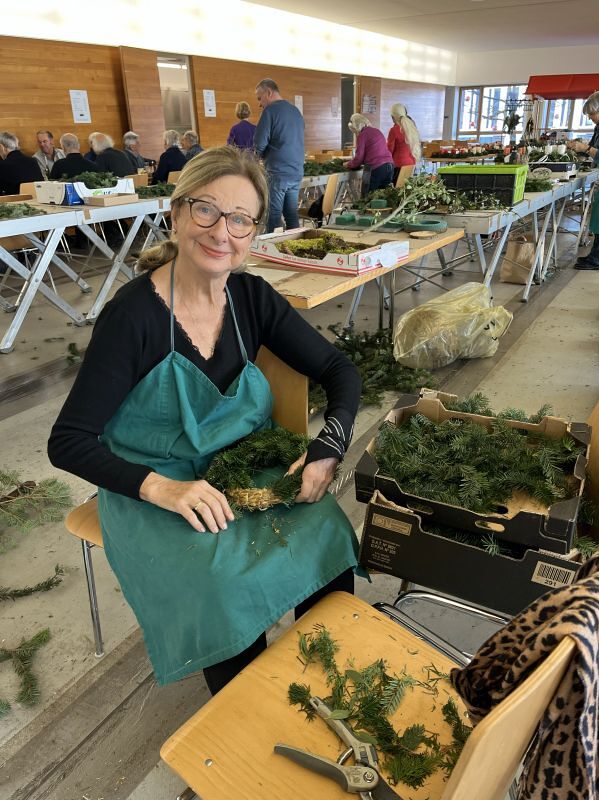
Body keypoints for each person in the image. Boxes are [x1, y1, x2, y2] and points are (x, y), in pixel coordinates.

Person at [48, 145, 362, 695]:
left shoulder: (251, 297)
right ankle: (245, 710)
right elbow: (68, 442)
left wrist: (328, 448)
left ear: (253, 232)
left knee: (325, 530)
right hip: (152, 488)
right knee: (221, 584)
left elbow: (340, 371)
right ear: (176, 213)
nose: (222, 232)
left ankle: (328, 682)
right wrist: (162, 489)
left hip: (242, 465)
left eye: (240, 219)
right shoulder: (132, 317)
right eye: (206, 210)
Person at [254, 78, 304, 232]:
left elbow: (259, 143)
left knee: (274, 216)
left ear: (269, 92)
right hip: (296, 171)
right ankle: (295, 244)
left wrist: (255, 159)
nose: (259, 104)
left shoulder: (270, 111)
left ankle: (273, 246)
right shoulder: (295, 111)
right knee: (291, 214)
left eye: (259, 98)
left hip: (278, 172)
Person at [568, 91, 599, 270]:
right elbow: (594, 149)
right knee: (598, 218)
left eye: (592, 113)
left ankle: (597, 258)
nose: (590, 118)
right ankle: (596, 255)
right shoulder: (598, 128)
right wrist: (579, 148)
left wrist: (586, 148)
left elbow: (595, 150)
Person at [345, 114, 393, 195]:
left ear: (356, 127)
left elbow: (359, 158)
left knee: (367, 196)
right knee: (384, 197)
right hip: (389, 166)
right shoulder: (377, 131)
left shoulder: (363, 135)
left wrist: (348, 164)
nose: (356, 133)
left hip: (375, 168)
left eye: (355, 131)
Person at [387, 103, 421, 184]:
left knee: (396, 189)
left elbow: (389, 150)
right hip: (411, 164)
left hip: (398, 165)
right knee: (407, 188)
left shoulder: (394, 130)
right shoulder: (412, 127)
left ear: (393, 116)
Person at [0, 131, 43, 195]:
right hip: (37, 199)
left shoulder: (2, 165)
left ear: (1, 147)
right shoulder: (33, 161)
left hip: (14, 201)